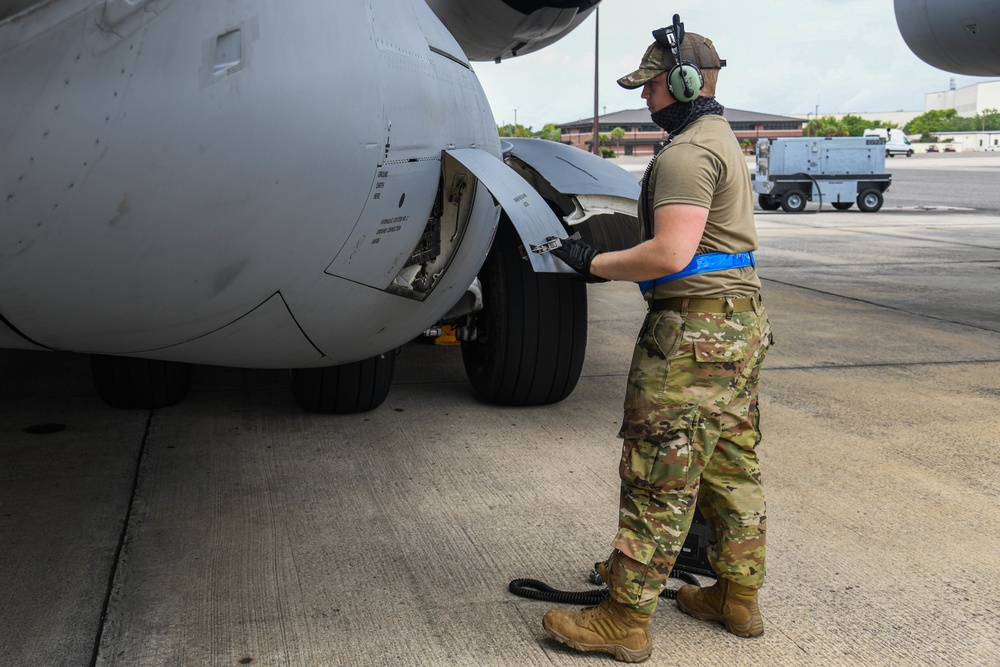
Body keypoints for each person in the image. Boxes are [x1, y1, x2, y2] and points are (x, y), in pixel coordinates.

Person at [541, 21, 773, 663]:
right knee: (730, 463)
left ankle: (624, 619)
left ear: (684, 83)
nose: (644, 99)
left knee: (659, 470)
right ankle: (737, 596)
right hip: (735, 327)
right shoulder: (721, 139)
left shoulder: (685, 155)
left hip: (693, 332)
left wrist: (591, 263)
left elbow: (670, 252)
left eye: (651, 87)